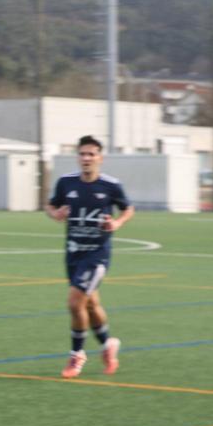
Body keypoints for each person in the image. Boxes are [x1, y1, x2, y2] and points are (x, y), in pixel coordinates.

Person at [46, 134, 135, 378]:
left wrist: (116, 223)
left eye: (91, 154)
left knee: (74, 302)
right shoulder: (66, 183)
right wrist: (56, 214)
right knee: (91, 304)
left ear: (100, 158)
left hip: (97, 255)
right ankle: (108, 344)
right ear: (78, 157)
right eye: (82, 154)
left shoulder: (110, 185)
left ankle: (77, 355)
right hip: (73, 253)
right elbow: (50, 205)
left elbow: (128, 208)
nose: (86, 158)